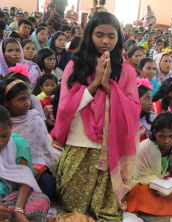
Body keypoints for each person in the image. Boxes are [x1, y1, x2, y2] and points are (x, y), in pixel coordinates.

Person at [54, 12, 140, 220]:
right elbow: (65, 108)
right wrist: (94, 85)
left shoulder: (127, 71)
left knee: (106, 211)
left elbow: (133, 109)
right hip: (80, 141)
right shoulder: (76, 65)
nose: (105, 41)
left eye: (111, 36)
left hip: (110, 145)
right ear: (89, 35)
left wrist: (108, 85)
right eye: (99, 34)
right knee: (73, 207)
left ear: (118, 38)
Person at [0, 78, 56, 201]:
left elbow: (45, 155)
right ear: (5, 102)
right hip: (5, 169)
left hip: (33, 168)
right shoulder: (2, 122)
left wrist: (36, 171)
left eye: (28, 99)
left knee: (47, 185)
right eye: (21, 100)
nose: (27, 104)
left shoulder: (35, 120)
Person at [0, 105, 50, 222]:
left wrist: (18, 210)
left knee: (40, 201)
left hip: (10, 198)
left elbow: (25, 180)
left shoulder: (19, 143)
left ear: (11, 126)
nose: (1, 142)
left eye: (4, 136)